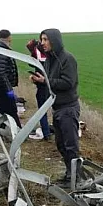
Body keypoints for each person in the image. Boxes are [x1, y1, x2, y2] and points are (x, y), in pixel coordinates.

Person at [30, 29, 80, 186]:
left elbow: (67, 83)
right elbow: (51, 81)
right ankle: (69, 174)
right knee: (60, 144)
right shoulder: (50, 59)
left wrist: (46, 80)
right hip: (57, 108)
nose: (43, 43)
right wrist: (40, 81)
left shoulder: (67, 59)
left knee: (71, 146)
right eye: (41, 40)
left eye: (45, 39)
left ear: (54, 40)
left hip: (68, 108)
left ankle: (75, 179)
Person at [0, 30, 21, 127]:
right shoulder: (1, 52)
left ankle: (4, 129)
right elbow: (0, 73)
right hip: (2, 87)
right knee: (11, 110)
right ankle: (18, 131)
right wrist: (9, 90)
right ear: (8, 38)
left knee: (3, 109)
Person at [26, 38, 51, 141]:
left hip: (43, 86)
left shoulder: (36, 53)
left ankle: (46, 133)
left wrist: (33, 78)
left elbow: (33, 65)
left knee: (42, 110)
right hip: (52, 85)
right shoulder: (49, 52)